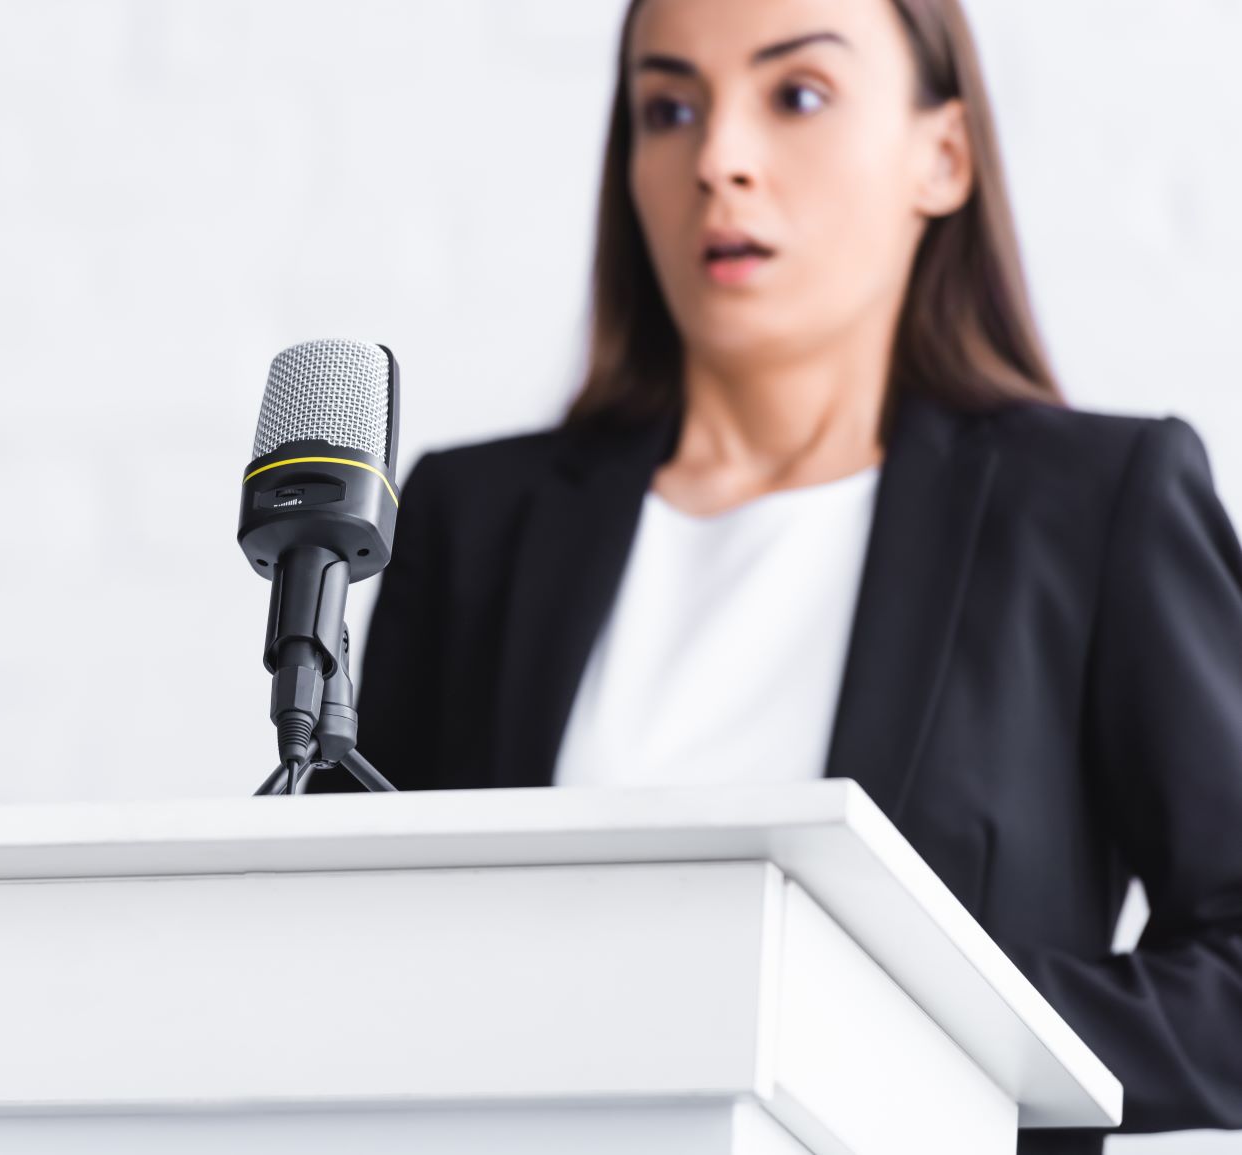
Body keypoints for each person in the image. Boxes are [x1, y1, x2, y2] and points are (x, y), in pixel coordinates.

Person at [305, 0, 1242, 1149]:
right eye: (668, 107)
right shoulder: (473, 520)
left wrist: (881, 1023)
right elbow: (353, 963)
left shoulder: (1096, 506)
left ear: (941, 155)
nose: (719, 161)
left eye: (796, 95)